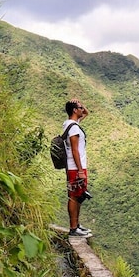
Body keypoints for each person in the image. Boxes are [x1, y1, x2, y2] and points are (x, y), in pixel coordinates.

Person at [64, 99, 92, 237]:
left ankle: (76, 225)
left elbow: (87, 113)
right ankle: (73, 228)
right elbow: (75, 150)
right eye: (80, 107)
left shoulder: (71, 124)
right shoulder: (73, 127)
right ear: (75, 110)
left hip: (76, 167)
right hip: (76, 167)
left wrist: (80, 103)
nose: (82, 110)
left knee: (79, 196)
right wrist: (80, 170)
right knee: (74, 197)